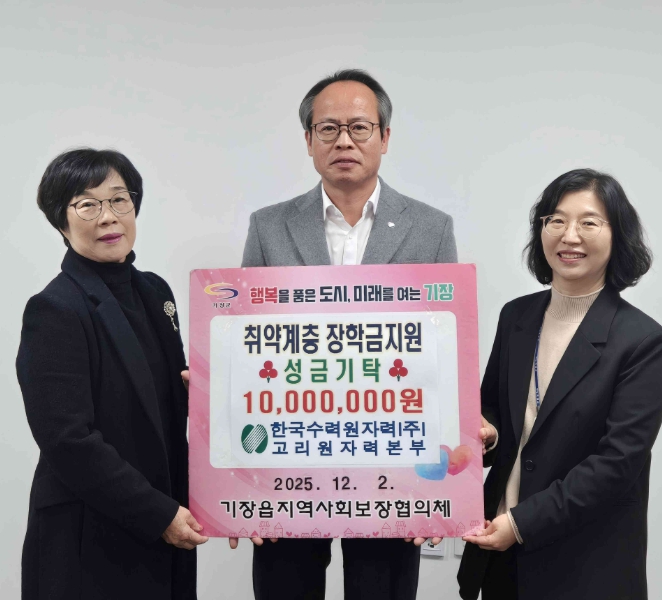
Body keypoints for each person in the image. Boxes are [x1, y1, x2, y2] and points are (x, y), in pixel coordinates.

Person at [240, 69, 457, 600]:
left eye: (359, 127)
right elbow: (246, 344)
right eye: (328, 128)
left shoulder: (431, 228)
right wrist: (240, 488)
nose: (344, 141)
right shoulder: (268, 226)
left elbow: (445, 350)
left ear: (385, 137)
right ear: (308, 140)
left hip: (392, 464)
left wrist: (442, 491)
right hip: (290, 459)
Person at [457, 168, 662, 600]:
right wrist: (488, 433)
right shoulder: (516, 316)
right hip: (498, 552)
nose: (569, 236)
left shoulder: (642, 340)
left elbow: (617, 464)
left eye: (589, 222)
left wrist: (521, 523)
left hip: (584, 565)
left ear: (618, 235)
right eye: (556, 220)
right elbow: (491, 409)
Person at [16, 149, 208, 600]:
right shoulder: (54, 308)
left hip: (166, 523)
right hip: (90, 538)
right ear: (61, 221)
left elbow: (164, 405)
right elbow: (67, 440)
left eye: (120, 199)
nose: (108, 216)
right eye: (87, 204)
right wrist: (158, 514)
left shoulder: (155, 291)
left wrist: (207, 395)